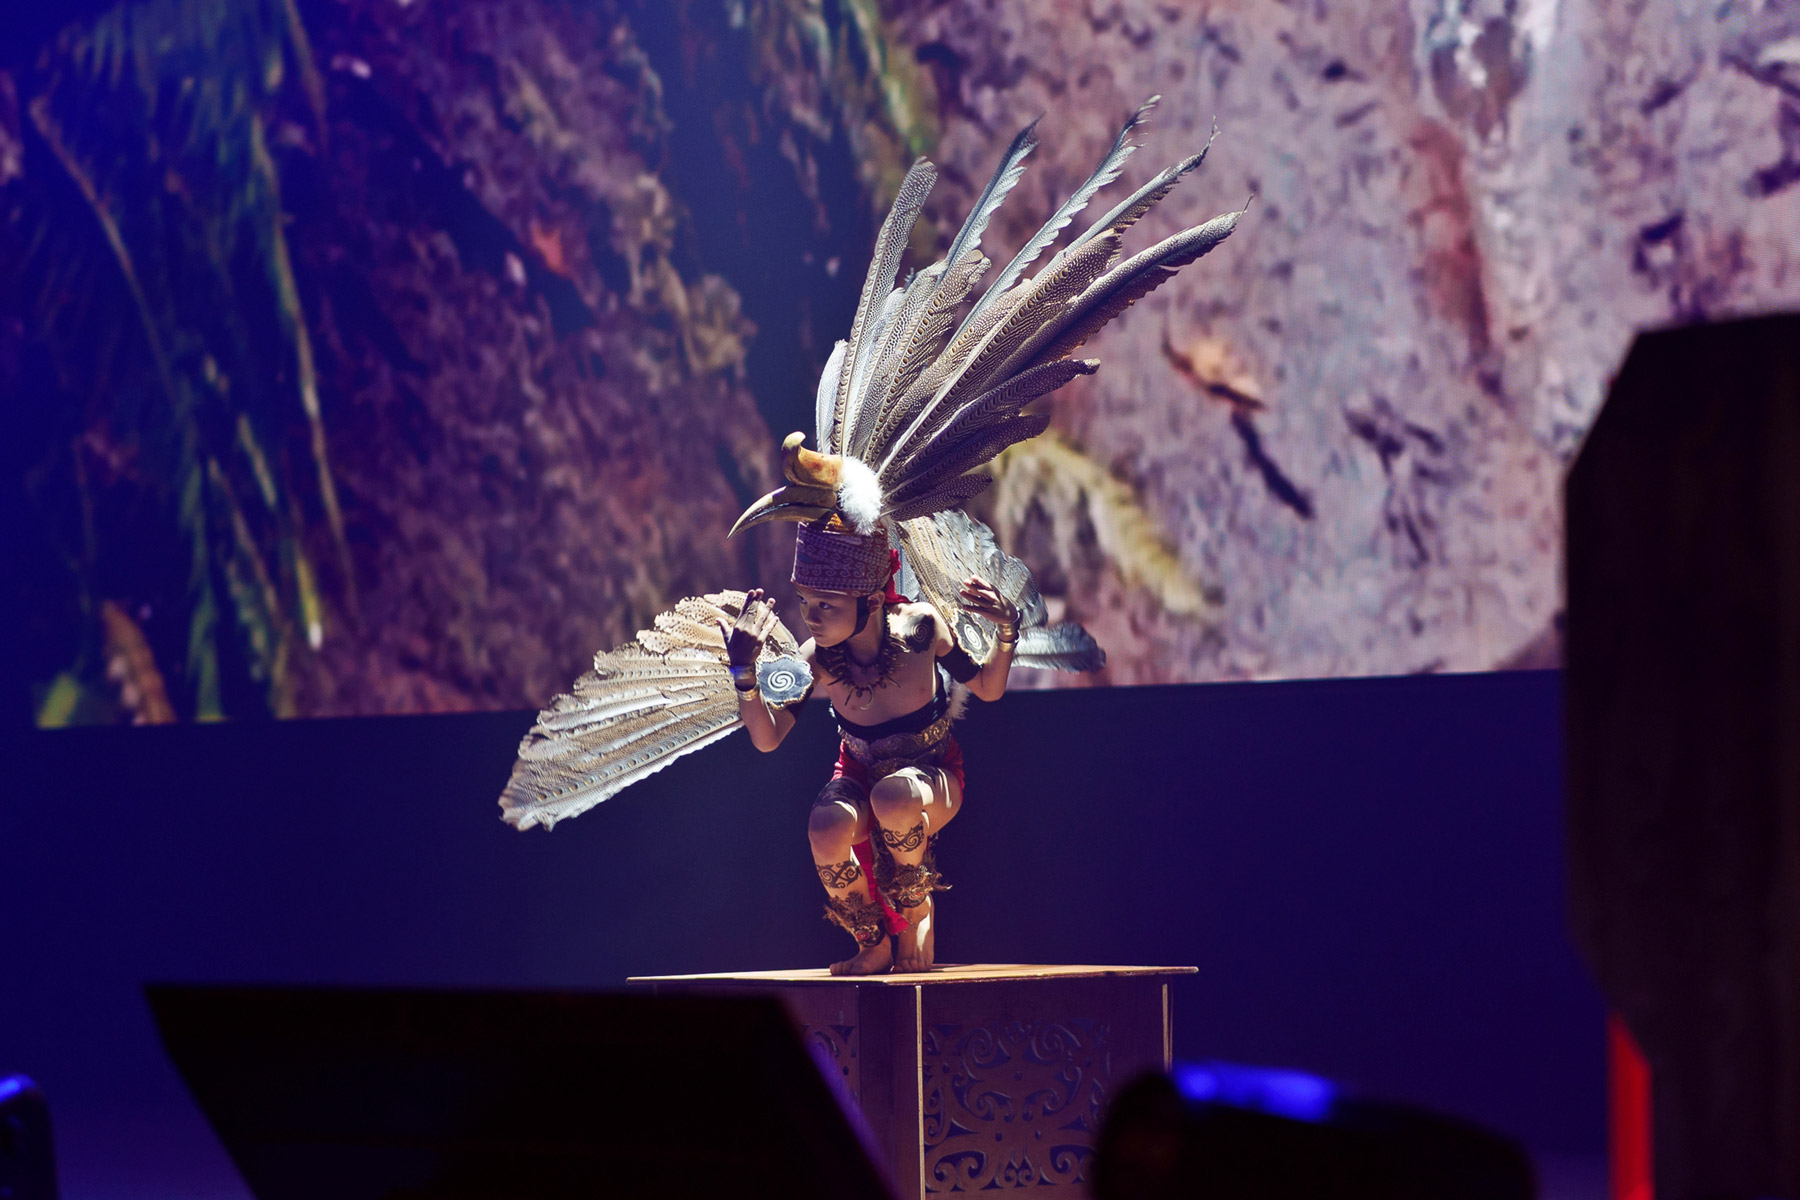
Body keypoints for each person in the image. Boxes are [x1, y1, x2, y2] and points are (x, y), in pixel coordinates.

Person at [720, 518, 1017, 974]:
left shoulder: (921, 629)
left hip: (934, 777)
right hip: (860, 775)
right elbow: (767, 737)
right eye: (805, 601)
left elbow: (989, 688)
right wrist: (743, 672)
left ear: (873, 600)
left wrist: (1007, 630)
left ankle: (916, 908)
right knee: (825, 828)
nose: (811, 617)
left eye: (826, 604)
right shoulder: (816, 657)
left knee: (894, 796)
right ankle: (872, 942)